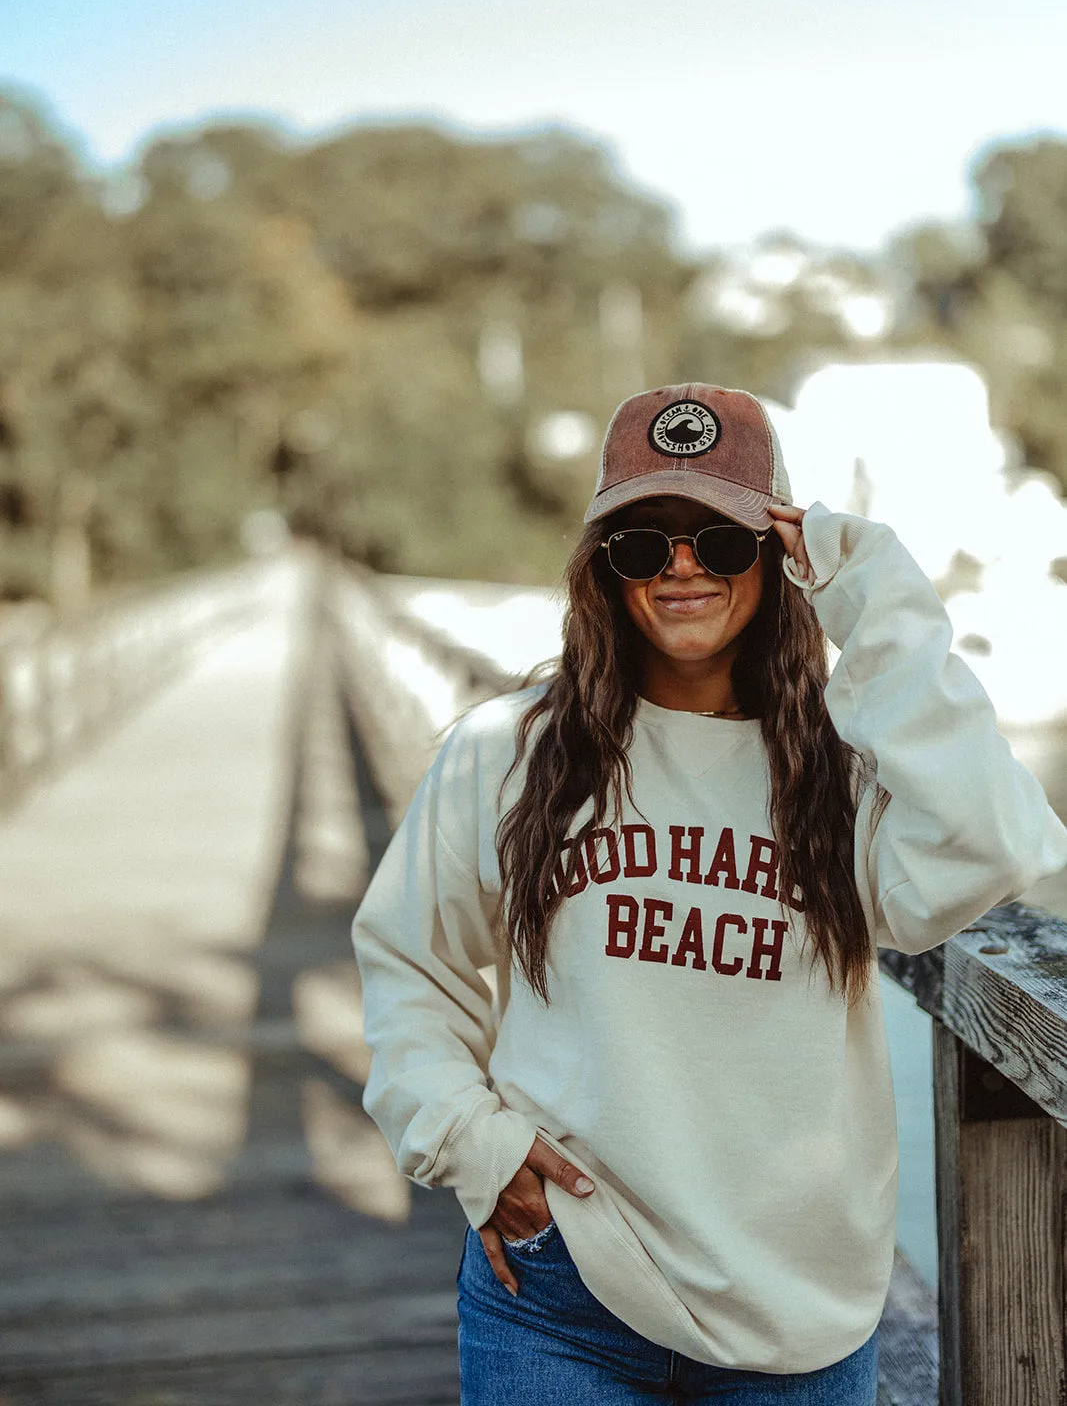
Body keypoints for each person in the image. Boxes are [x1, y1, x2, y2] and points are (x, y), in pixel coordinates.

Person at [352, 383, 1067, 1405]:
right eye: (643, 541)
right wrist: (468, 1137)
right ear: (605, 568)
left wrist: (866, 588)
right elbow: (410, 958)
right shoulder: (507, 752)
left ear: (776, 554)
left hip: (794, 1313)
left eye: (721, 540)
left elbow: (994, 841)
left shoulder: (845, 766)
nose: (681, 565)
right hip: (563, 1290)